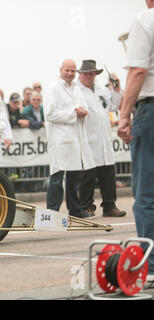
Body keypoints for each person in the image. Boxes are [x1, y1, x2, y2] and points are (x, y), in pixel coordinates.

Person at [117, 0, 154, 281]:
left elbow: (138, 71)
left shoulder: (145, 19)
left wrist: (124, 113)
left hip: (151, 110)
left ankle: (151, 265)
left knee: (146, 195)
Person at [44, 59, 95, 219]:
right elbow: (50, 114)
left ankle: (75, 209)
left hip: (75, 139)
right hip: (60, 139)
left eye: (73, 71)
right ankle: (52, 212)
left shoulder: (77, 89)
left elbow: (85, 107)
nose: (70, 74)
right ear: (61, 70)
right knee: (57, 177)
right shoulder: (52, 88)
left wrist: (84, 111)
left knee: (74, 177)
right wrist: (74, 113)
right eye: (68, 70)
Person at [76, 59, 126, 218]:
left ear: (95, 74)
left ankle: (109, 205)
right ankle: (86, 206)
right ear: (81, 74)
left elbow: (113, 105)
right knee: (87, 176)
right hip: (87, 139)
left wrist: (116, 89)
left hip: (104, 138)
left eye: (92, 74)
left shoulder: (101, 90)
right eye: (86, 74)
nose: (89, 76)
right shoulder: (76, 90)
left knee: (108, 174)